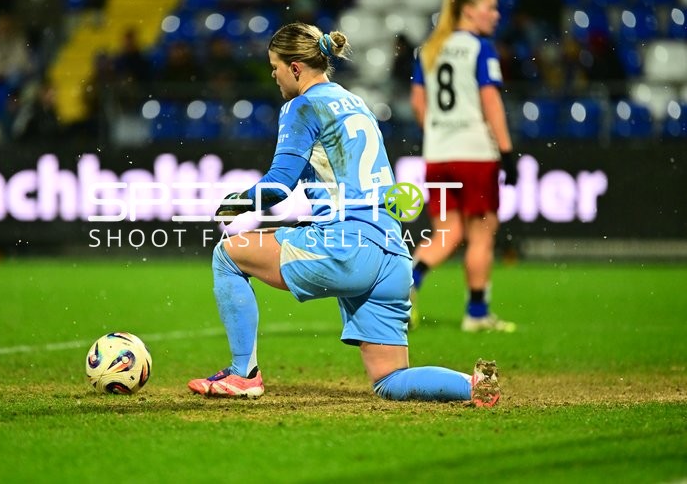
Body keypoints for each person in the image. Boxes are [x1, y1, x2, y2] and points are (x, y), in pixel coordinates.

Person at [187, 22, 500, 406]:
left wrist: (236, 200)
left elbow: (278, 186)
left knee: (228, 254)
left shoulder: (302, 106)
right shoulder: (355, 103)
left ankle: (242, 374)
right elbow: (320, 169)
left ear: (296, 68)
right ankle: (474, 386)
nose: (273, 74)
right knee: (390, 379)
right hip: (391, 254)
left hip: (346, 247)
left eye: (276, 65)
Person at [408, 0, 518, 333]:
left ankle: (405, 286)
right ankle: (477, 313)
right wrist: (506, 149)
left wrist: (440, 134)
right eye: (491, 7)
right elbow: (490, 100)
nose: (496, 14)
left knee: (447, 230)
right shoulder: (480, 48)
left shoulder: (428, 50)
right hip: (475, 155)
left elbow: (418, 102)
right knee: (482, 234)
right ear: (469, 11)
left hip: (438, 156)